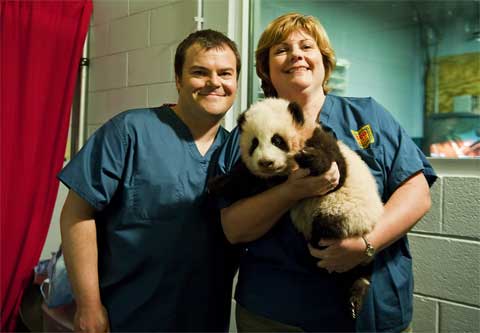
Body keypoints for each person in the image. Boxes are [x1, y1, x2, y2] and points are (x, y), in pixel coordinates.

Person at [215, 13, 437, 332]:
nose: (296, 55)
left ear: (324, 61)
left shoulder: (368, 115)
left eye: (307, 46)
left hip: (369, 311)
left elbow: (417, 194)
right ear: (265, 68)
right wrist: (292, 190)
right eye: (281, 50)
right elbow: (232, 228)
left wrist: (365, 245)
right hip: (277, 313)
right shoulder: (249, 130)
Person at [58, 29, 241, 332]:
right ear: (178, 79)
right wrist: (89, 306)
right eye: (199, 72)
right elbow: (77, 214)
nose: (214, 83)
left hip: (205, 318)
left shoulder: (238, 152)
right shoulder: (130, 131)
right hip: (127, 314)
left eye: (225, 73)